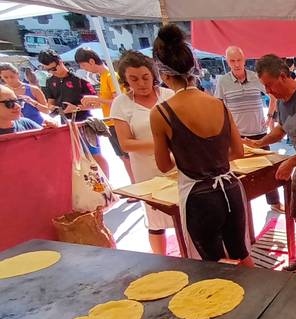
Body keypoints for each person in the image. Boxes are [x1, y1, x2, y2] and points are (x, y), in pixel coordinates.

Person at [149, 24, 253, 266]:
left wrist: (192, 155)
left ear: (163, 75)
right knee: (241, 253)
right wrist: (213, 157)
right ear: (194, 68)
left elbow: (164, 165)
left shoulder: (161, 113)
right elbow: (238, 151)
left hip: (199, 198)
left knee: (214, 264)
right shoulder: (218, 104)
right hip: (231, 188)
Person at [248, 54, 296, 272]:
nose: (268, 91)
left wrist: (291, 162)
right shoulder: (283, 102)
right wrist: (259, 142)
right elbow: (282, 128)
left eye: (269, 85)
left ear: (282, 76)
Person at [111, 51, 176, 254]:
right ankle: (161, 260)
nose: (141, 83)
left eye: (145, 77)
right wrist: (160, 144)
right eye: (134, 79)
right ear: (125, 80)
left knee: (182, 211)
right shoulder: (121, 104)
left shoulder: (169, 96)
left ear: (153, 75)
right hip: (146, 170)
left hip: (176, 165)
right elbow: (126, 143)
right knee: (155, 219)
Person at [215, 46, 283, 213]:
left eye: (239, 60)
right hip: (237, 135)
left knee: (268, 170)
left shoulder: (255, 77)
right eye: (232, 61)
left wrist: (271, 116)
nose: (236, 64)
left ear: (244, 60)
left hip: (259, 133)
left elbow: (273, 95)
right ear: (227, 61)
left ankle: (274, 203)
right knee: (239, 173)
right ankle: (240, 207)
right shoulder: (223, 82)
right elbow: (218, 106)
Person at [38, 48, 109, 177]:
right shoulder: (49, 82)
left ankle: (108, 184)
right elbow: (50, 102)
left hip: (84, 122)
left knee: (94, 154)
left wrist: (76, 108)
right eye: (48, 70)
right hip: (65, 123)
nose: (52, 72)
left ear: (60, 62)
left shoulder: (79, 79)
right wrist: (52, 108)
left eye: (53, 68)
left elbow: (97, 103)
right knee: (76, 158)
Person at [75, 47, 135, 183]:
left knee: (126, 156)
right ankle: (133, 182)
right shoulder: (103, 77)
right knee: (122, 156)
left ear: (91, 61)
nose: (85, 69)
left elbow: (118, 100)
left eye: (84, 65)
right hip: (111, 122)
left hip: (117, 121)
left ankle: (135, 183)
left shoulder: (110, 76)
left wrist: (97, 100)